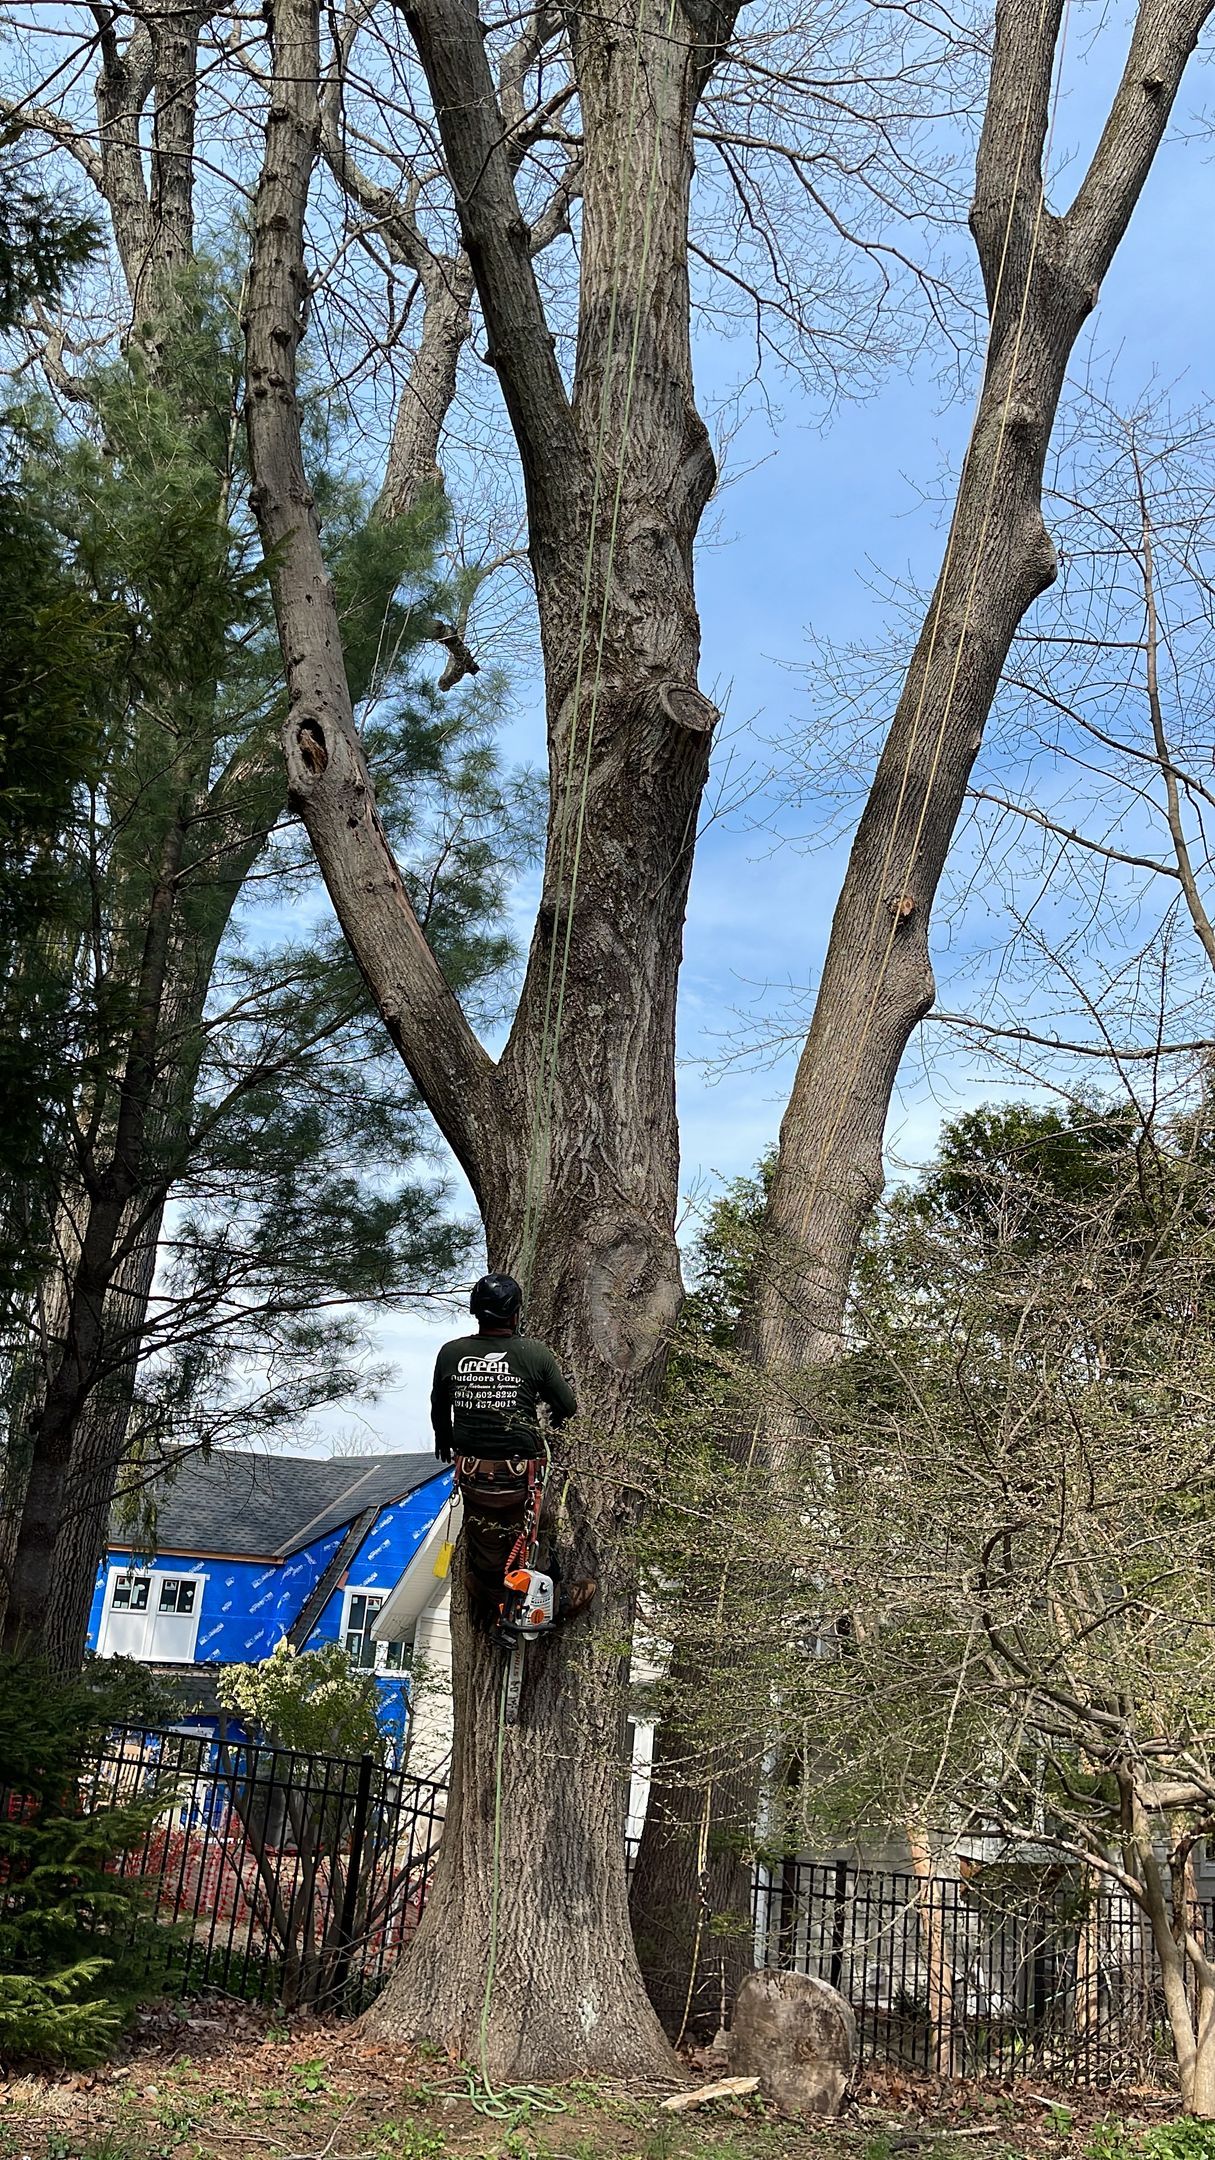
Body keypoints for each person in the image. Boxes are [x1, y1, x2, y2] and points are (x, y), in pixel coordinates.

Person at [431, 1273, 596, 1628]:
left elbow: (438, 1407)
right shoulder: (532, 1354)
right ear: (515, 1313)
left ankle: (491, 1592)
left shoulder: (452, 1354)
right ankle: (552, 1600)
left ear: (476, 1311)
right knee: (538, 1534)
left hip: (474, 1474)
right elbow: (567, 1404)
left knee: (487, 1543)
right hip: (522, 1477)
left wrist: (443, 1439)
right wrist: (553, 1417)